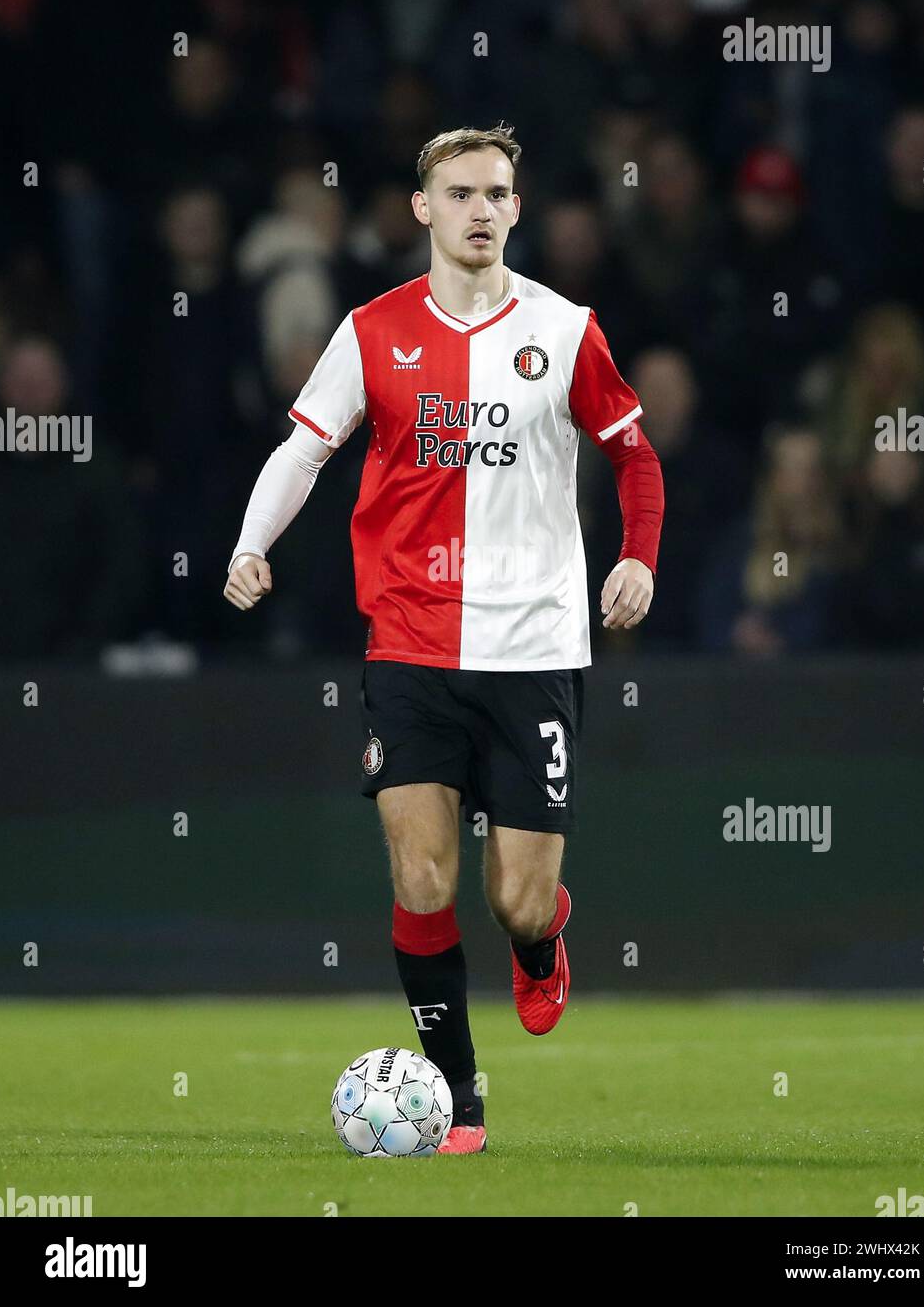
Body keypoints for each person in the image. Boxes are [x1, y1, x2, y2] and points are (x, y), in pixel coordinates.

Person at [223, 125, 664, 1153]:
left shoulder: (564, 329)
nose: (478, 209)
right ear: (423, 208)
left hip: (537, 647)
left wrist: (636, 555)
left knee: (514, 897)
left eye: (497, 193)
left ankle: (542, 938)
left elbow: (634, 456)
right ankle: (457, 1092)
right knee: (422, 878)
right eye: (458, 191)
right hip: (411, 641)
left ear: (517, 208)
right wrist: (250, 546)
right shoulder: (374, 329)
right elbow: (303, 452)